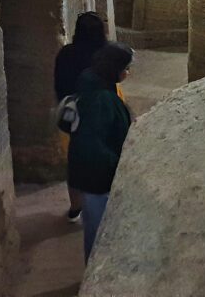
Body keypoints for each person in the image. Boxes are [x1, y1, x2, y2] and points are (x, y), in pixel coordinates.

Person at [67, 43, 134, 261]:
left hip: (91, 175)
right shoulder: (101, 100)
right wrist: (119, 168)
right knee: (99, 234)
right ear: (113, 69)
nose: (127, 72)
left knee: (94, 228)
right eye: (125, 67)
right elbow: (93, 145)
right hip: (99, 179)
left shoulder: (94, 83)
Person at [53, 11, 108, 221]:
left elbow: (59, 85)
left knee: (75, 161)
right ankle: (101, 205)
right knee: (102, 159)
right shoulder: (105, 55)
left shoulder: (66, 54)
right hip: (100, 115)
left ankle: (76, 207)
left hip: (72, 115)